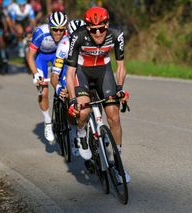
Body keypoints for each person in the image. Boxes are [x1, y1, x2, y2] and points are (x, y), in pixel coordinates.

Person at [65, 7, 130, 182]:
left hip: (104, 73)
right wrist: (72, 100)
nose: (98, 33)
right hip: (82, 74)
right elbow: (70, 73)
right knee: (84, 111)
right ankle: (80, 134)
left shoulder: (116, 34)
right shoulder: (78, 37)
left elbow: (121, 66)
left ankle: (118, 162)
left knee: (114, 116)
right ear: (87, 28)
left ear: (107, 24)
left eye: (102, 28)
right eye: (93, 29)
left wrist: (119, 88)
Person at [26, 11, 68, 144]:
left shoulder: (68, 35)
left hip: (58, 55)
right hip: (41, 58)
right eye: (55, 29)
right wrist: (36, 74)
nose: (58, 33)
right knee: (43, 92)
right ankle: (48, 122)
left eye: (61, 29)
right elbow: (30, 56)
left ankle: (70, 123)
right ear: (50, 27)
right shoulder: (40, 32)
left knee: (67, 87)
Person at [51, 19, 86, 155]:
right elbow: (55, 74)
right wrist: (58, 88)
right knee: (69, 95)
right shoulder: (64, 45)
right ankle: (73, 134)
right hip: (67, 70)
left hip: (83, 68)